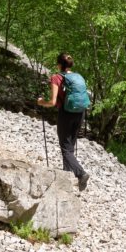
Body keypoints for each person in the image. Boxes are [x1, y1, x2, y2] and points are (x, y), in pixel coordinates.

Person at [37, 52, 90, 191]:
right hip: (80, 113)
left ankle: (81, 173)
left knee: (65, 149)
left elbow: (53, 102)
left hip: (66, 114)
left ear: (59, 64)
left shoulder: (56, 77)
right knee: (70, 146)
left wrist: (42, 102)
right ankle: (66, 173)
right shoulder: (78, 77)